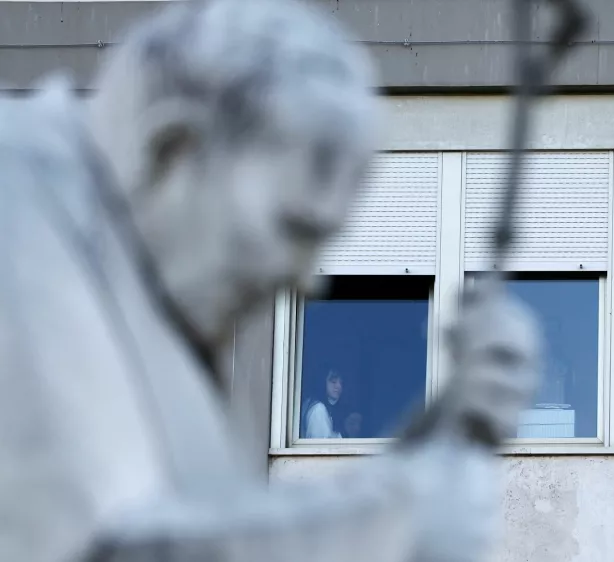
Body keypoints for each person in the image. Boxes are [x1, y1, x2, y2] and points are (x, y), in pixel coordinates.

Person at [0, 0, 543, 560]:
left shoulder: (142, 288)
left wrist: (441, 435)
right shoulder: (15, 192)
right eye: (293, 228)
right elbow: (97, 545)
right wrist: (399, 519)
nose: (307, 281)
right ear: (172, 151)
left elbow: (197, 525)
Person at [302, 371, 351, 439]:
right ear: (322, 382)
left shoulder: (312, 403)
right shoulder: (318, 410)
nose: (339, 386)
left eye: (341, 383)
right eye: (333, 381)